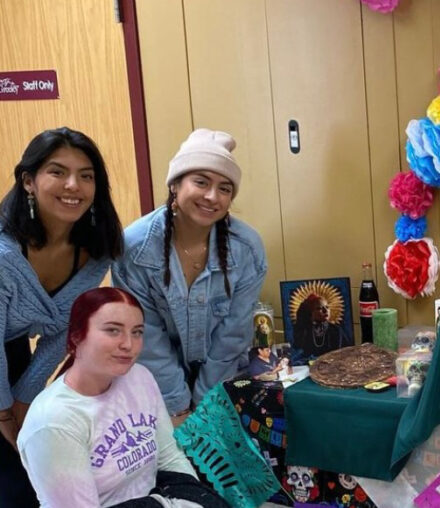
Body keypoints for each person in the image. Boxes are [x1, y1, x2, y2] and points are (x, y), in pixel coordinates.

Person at [0, 127, 124, 507]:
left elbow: (61, 332)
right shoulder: (4, 254)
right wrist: (5, 413)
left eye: (86, 175)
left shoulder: (96, 248)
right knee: (12, 482)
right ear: (29, 181)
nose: (73, 185)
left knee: (35, 465)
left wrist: (24, 402)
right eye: (57, 171)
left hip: (12, 347)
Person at [17, 288, 227, 507]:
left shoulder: (139, 377)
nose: (128, 344)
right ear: (77, 336)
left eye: (137, 332)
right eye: (113, 330)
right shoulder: (54, 423)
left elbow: (169, 456)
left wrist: (193, 499)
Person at [113, 128, 268, 425]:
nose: (212, 196)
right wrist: (178, 407)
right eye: (201, 182)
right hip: (154, 384)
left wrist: (206, 405)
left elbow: (233, 334)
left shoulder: (247, 248)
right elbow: (147, 335)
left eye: (224, 188)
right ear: (175, 184)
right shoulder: (135, 247)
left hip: (223, 382)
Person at [292, 293, 344, 359]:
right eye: (319, 308)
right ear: (311, 312)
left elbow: (337, 354)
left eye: (327, 307)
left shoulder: (335, 330)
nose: (325, 311)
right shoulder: (305, 331)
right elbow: (298, 349)